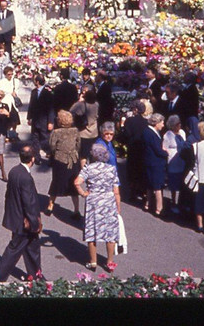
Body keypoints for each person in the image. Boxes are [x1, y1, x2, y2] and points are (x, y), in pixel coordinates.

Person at [0, 145, 42, 282]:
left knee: (32, 248)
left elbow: (9, 195)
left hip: (16, 217)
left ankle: (35, 274)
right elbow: (29, 203)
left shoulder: (14, 171)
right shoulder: (26, 177)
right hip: (24, 222)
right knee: (14, 250)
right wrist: (35, 223)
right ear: (32, 159)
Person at [74, 142, 121, 272]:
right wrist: (118, 207)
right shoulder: (112, 169)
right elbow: (116, 191)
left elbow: (77, 182)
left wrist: (83, 193)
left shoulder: (88, 168)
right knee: (110, 232)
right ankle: (110, 262)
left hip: (93, 201)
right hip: (109, 201)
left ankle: (93, 261)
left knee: (92, 231)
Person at [119, 99, 150, 202]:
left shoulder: (130, 121)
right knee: (141, 170)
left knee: (132, 171)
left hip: (132, 148)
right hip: (143, 149)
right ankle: (143, 192)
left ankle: (133, 193)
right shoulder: (146, 122)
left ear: (136, 110)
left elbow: (126, 135)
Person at [0, 91, 20, 181]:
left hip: (3, 132)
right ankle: (3, 173)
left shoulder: (5, 106)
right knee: (0, 153)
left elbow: (10, 121)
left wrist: (8, 114)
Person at [142, 112, 169, 216]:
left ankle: (148, 204)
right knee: (158, 185)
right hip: (155, 162)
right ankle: (159, 208)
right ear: (156, 123)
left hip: (150, 161)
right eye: (162, 123)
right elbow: (157, 150)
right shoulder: (151, 134)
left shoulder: (148, 132)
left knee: (150, 184)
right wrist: (166, 153)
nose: (163, 125)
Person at [162, 114, 188, 214]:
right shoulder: (167, 135)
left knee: (181, 182)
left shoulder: (182, 133)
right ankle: (173, 203)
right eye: (177, 124)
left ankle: (181, 202)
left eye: (180, 123)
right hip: (173, 161)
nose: (179, 125)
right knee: (173, 184)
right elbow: (164, 148)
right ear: (172, 125)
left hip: (182, 160)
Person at [27, 74, 54, 159]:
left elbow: (51, 108)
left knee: (45, 139)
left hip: (44, 120)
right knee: (35, 139)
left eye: (34, 80)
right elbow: (31, 105)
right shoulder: (34, 92)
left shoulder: (48, 92)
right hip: (35, 120)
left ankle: (50, 154)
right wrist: (29, 117)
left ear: (37, 82)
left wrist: (50, 122)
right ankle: (37, 157)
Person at [71, 86, 100, 164]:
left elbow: (71, 111)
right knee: (92, 154)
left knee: (83, 155)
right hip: (94, 133)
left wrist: (79, 100)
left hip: (83, 133)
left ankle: (83, 170)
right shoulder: (96, 104)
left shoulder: (80, 105)